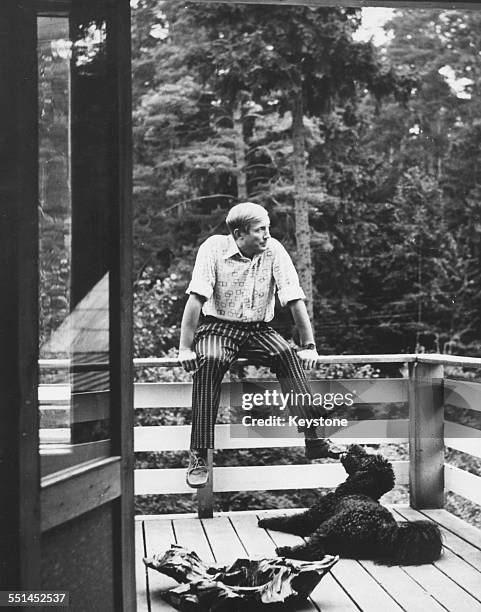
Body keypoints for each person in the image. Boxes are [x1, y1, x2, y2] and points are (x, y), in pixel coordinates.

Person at [178, 202, 336, 488]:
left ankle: (313, 437)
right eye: (260, 230)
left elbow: (293, 297)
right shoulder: (213, 248)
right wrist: (185, 348)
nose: (267, 235)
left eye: (268, 229)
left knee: (286, 354)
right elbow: (196, 298)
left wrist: (309, 344)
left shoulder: (273, 250)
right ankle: (199, 454)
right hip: (218, 326)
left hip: (258, 328)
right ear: (239, 234)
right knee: (210, 361)